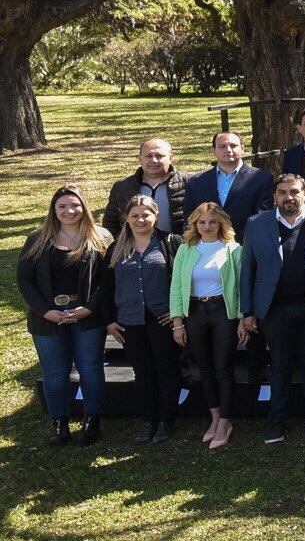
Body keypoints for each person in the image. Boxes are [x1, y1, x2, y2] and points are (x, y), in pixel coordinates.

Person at [20, 186, 114, 447]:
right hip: (47, 319)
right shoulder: (37, 239)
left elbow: (107, 281)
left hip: (87, 316)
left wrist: (90, 308)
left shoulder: (100, 237)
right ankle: (59, 422)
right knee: (55, 373)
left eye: (75, 205)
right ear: (53, 210)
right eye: (62, 206)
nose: (69, 211)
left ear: (84, 207)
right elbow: (25, 281)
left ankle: (92, 419)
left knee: (90, 369)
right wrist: (45, 311)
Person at [240, 174, 305, 443]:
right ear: (274, 195)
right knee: (279, 365)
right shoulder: (257, 224)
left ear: (304, 193)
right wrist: (247, 311)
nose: (288, 197)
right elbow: (248, 270)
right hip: (274, 309)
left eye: (294, 191)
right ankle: (276, 421)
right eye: (282, 192)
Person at [170, 200, 244, 450]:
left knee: (223, 366)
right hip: (194, 311)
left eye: (213, 222)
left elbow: (242, 288)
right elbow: (176, 287)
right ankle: (213, 417)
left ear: (221, 223)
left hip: (223, 311)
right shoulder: (186, 249)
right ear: (195, 224)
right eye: (202, 222)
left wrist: (244, 317)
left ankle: (225, 421)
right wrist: (177, 320)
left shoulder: (233, 249)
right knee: (204, 367)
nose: (208, 226)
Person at [108, 195, 178, 443]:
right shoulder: (115, 249)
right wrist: (109, 320)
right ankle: (147, 421)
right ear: (126, 218)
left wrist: (178, 311)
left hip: (162, 319)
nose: (140, 219)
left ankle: (165, 421)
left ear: (156, 216)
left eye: (145, 214)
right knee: (142, 372)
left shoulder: (170, 243)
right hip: (129, 321)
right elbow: (105, 287)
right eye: (135, 215)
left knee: (166, 369)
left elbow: (182, 281)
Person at [104, 137, 187, 238]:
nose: (154, 160)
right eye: (148, 156)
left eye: (159, 155)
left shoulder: (188, 183)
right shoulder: (122, 187)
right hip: (135, 251)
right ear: (140, 159)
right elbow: (110, 225)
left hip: (178, 250)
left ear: (170, 158)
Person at [192, 130, 274, 230]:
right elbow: (190, 218)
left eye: (233, 146)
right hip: (207, 243)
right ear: (213, 151)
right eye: (222, 146)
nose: (228, 150)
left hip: (245, 242)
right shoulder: (196, 181)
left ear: (242, 148)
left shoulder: (262, 179)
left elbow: (262, 217)